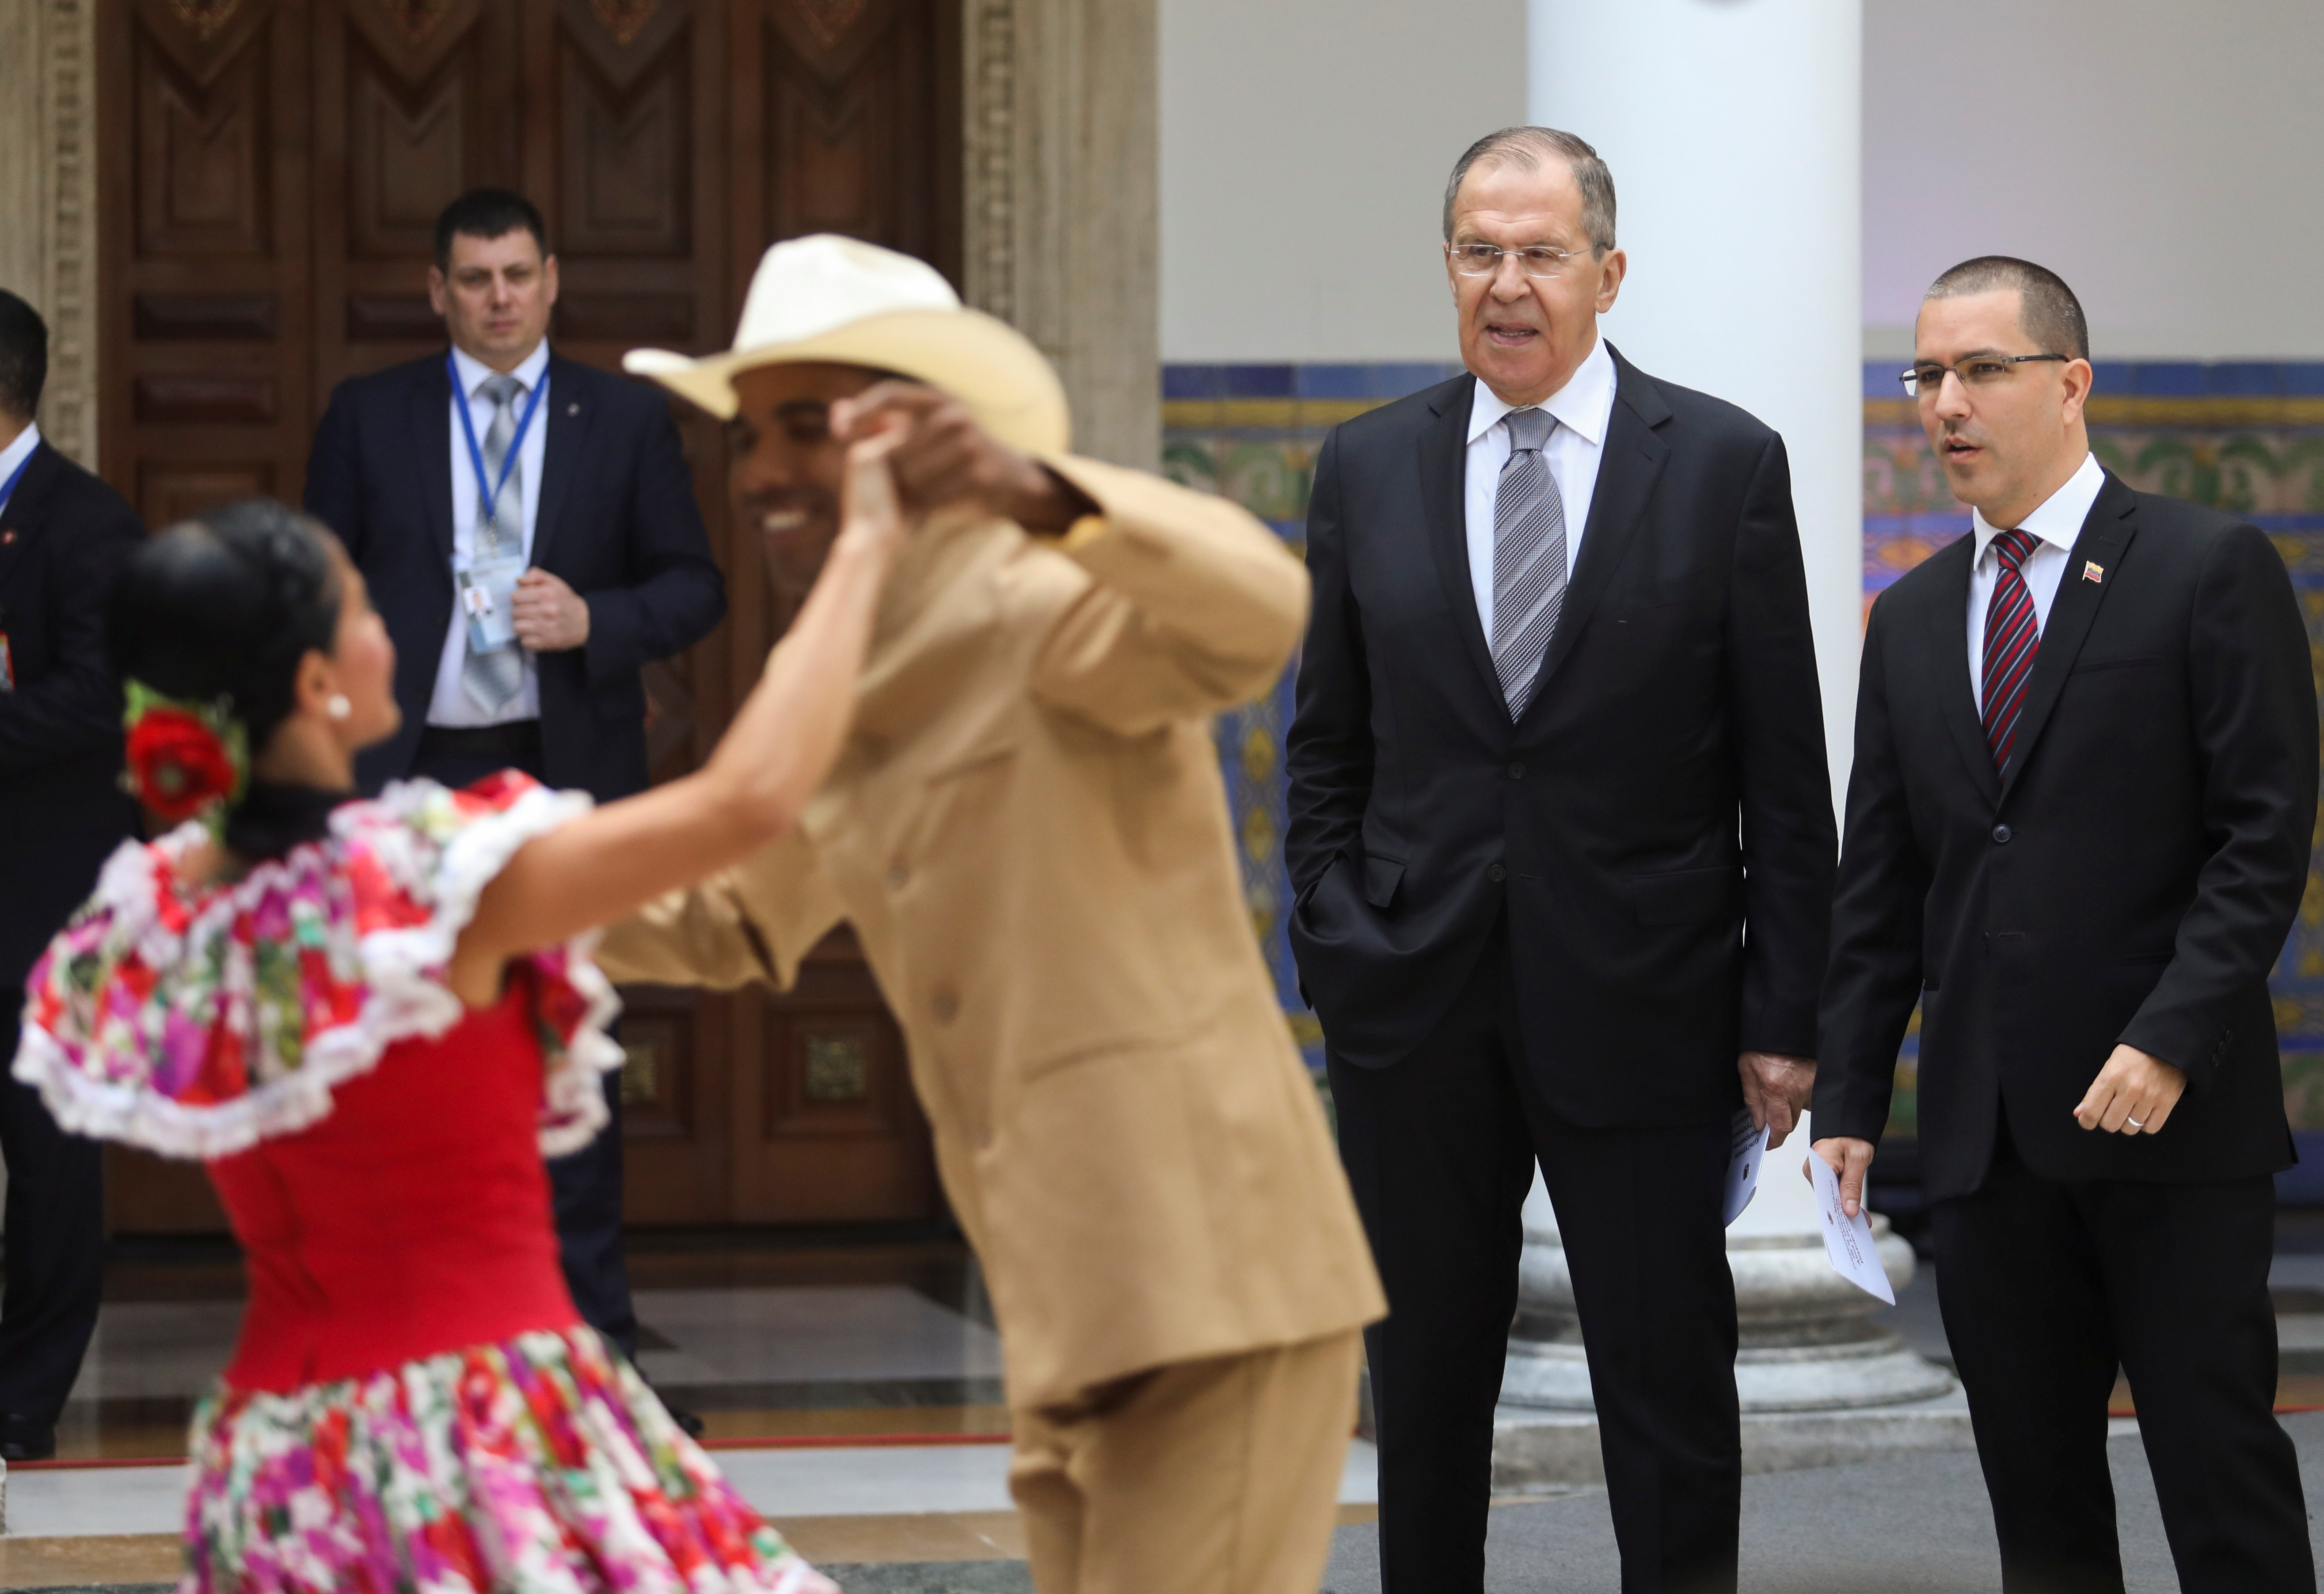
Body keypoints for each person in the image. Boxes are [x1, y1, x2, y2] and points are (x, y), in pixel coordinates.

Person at [594, 232, 1385, 1594]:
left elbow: (1258, 612)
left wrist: (1037, 493)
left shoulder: (1042, 590)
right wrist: (462, 882)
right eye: (750, 436)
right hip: (1068, 1302)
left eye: (807, 428)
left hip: (1211, 1285)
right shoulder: (839, 671)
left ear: (919, 435)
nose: (763, 470)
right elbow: (728, 914)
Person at [16, 437, 903, 1588]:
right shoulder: (433, 881)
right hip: (481, 1426)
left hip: (284, 1457)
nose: (392, 619)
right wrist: (872, 547)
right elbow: (748, 804)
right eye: (361, 605)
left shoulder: (157, 912)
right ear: (317, 679)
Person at [1285, 127, 1837, 1594]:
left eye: (1539, 254)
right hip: (1413, 1000)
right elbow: (1326, 746)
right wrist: (1336, 942)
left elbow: (1784, 774)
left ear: (1609, 271)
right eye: (1480, 252)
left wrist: (1787, 1016)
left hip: (1649, 1002)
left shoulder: (1722, 463)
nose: (1508, 286)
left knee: (1665, 1388)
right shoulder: (1368, 465)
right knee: (1427, 1388)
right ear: (1449, 267)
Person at [1812, 257, 2318, 1594]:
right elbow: (1883, 882)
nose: (1945, 405)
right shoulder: (1913, 618)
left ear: (2071, 382)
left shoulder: (2211, 567)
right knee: (2037, 1508)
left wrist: (2169, 1039)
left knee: (2220, 1477)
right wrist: (1851, 1097)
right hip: (1988, 1148)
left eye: (1982, 370)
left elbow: (2261, 840)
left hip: (2170, 1123)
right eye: (1927, 375)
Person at [303, 187, 726, 1366]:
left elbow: (698, 587)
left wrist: (599, 617)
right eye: (475, 279)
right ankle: (404, 1338)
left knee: (565, 1050)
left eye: (518, 276)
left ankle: (590, 1345)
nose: (499, 299)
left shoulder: (625, 419)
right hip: (409, 777)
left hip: (559, 777)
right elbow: (309, 589)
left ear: (553, 280)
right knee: (399, 1049)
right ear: (438, 291)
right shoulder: (368, 416)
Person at [0, 289, 147, 1461]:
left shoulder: (92, 526)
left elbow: (104, 699)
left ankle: (26, 1397)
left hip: (41, 895)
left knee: (48, 1163)